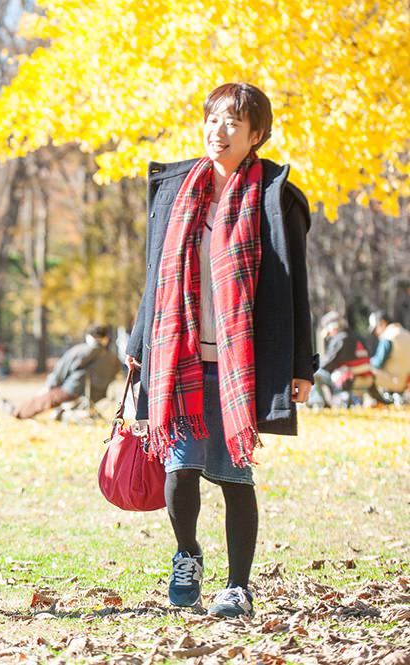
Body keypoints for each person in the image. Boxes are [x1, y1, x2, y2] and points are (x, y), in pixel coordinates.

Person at [124, 83, 316, 619]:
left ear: (256, 135)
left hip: (240, 363)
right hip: (178, 356)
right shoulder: (175, 191)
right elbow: (154, 279)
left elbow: (295, 287)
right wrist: (138, 346)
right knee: (180, 470)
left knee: (235, 476)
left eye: (234, 122)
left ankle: (238, 586)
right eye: (213, 119)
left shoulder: (274, 197)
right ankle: (187, 553)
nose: (219, 130)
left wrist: (302, 364)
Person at [2, 324, 122, 420]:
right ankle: (61, 413)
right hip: (98, 396)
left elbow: (61, 369)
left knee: (45, 398)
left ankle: (17, 412)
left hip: (74, 391)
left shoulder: (81, 351)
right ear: (106, 339)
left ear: (88, 337)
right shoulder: (114, 359)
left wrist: (50, 386)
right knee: (53, 397)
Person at [310, 311, 377, 407]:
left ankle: (317, 403)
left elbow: (328, 363)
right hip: (367, 377)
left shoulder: (340, 340)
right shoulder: (357, 336)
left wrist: (312, 367)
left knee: (315, 374)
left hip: (346, 378)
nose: (329, 335)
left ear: (333, 327)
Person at [368, 310, 410, 396]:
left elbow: (378, 363)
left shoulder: (388, 336)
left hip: (395, 381)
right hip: (407, 381)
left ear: (383, 323)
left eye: (375, 329)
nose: (376, 333)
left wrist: (366, 362)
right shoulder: (406, 333)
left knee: (366, 371)